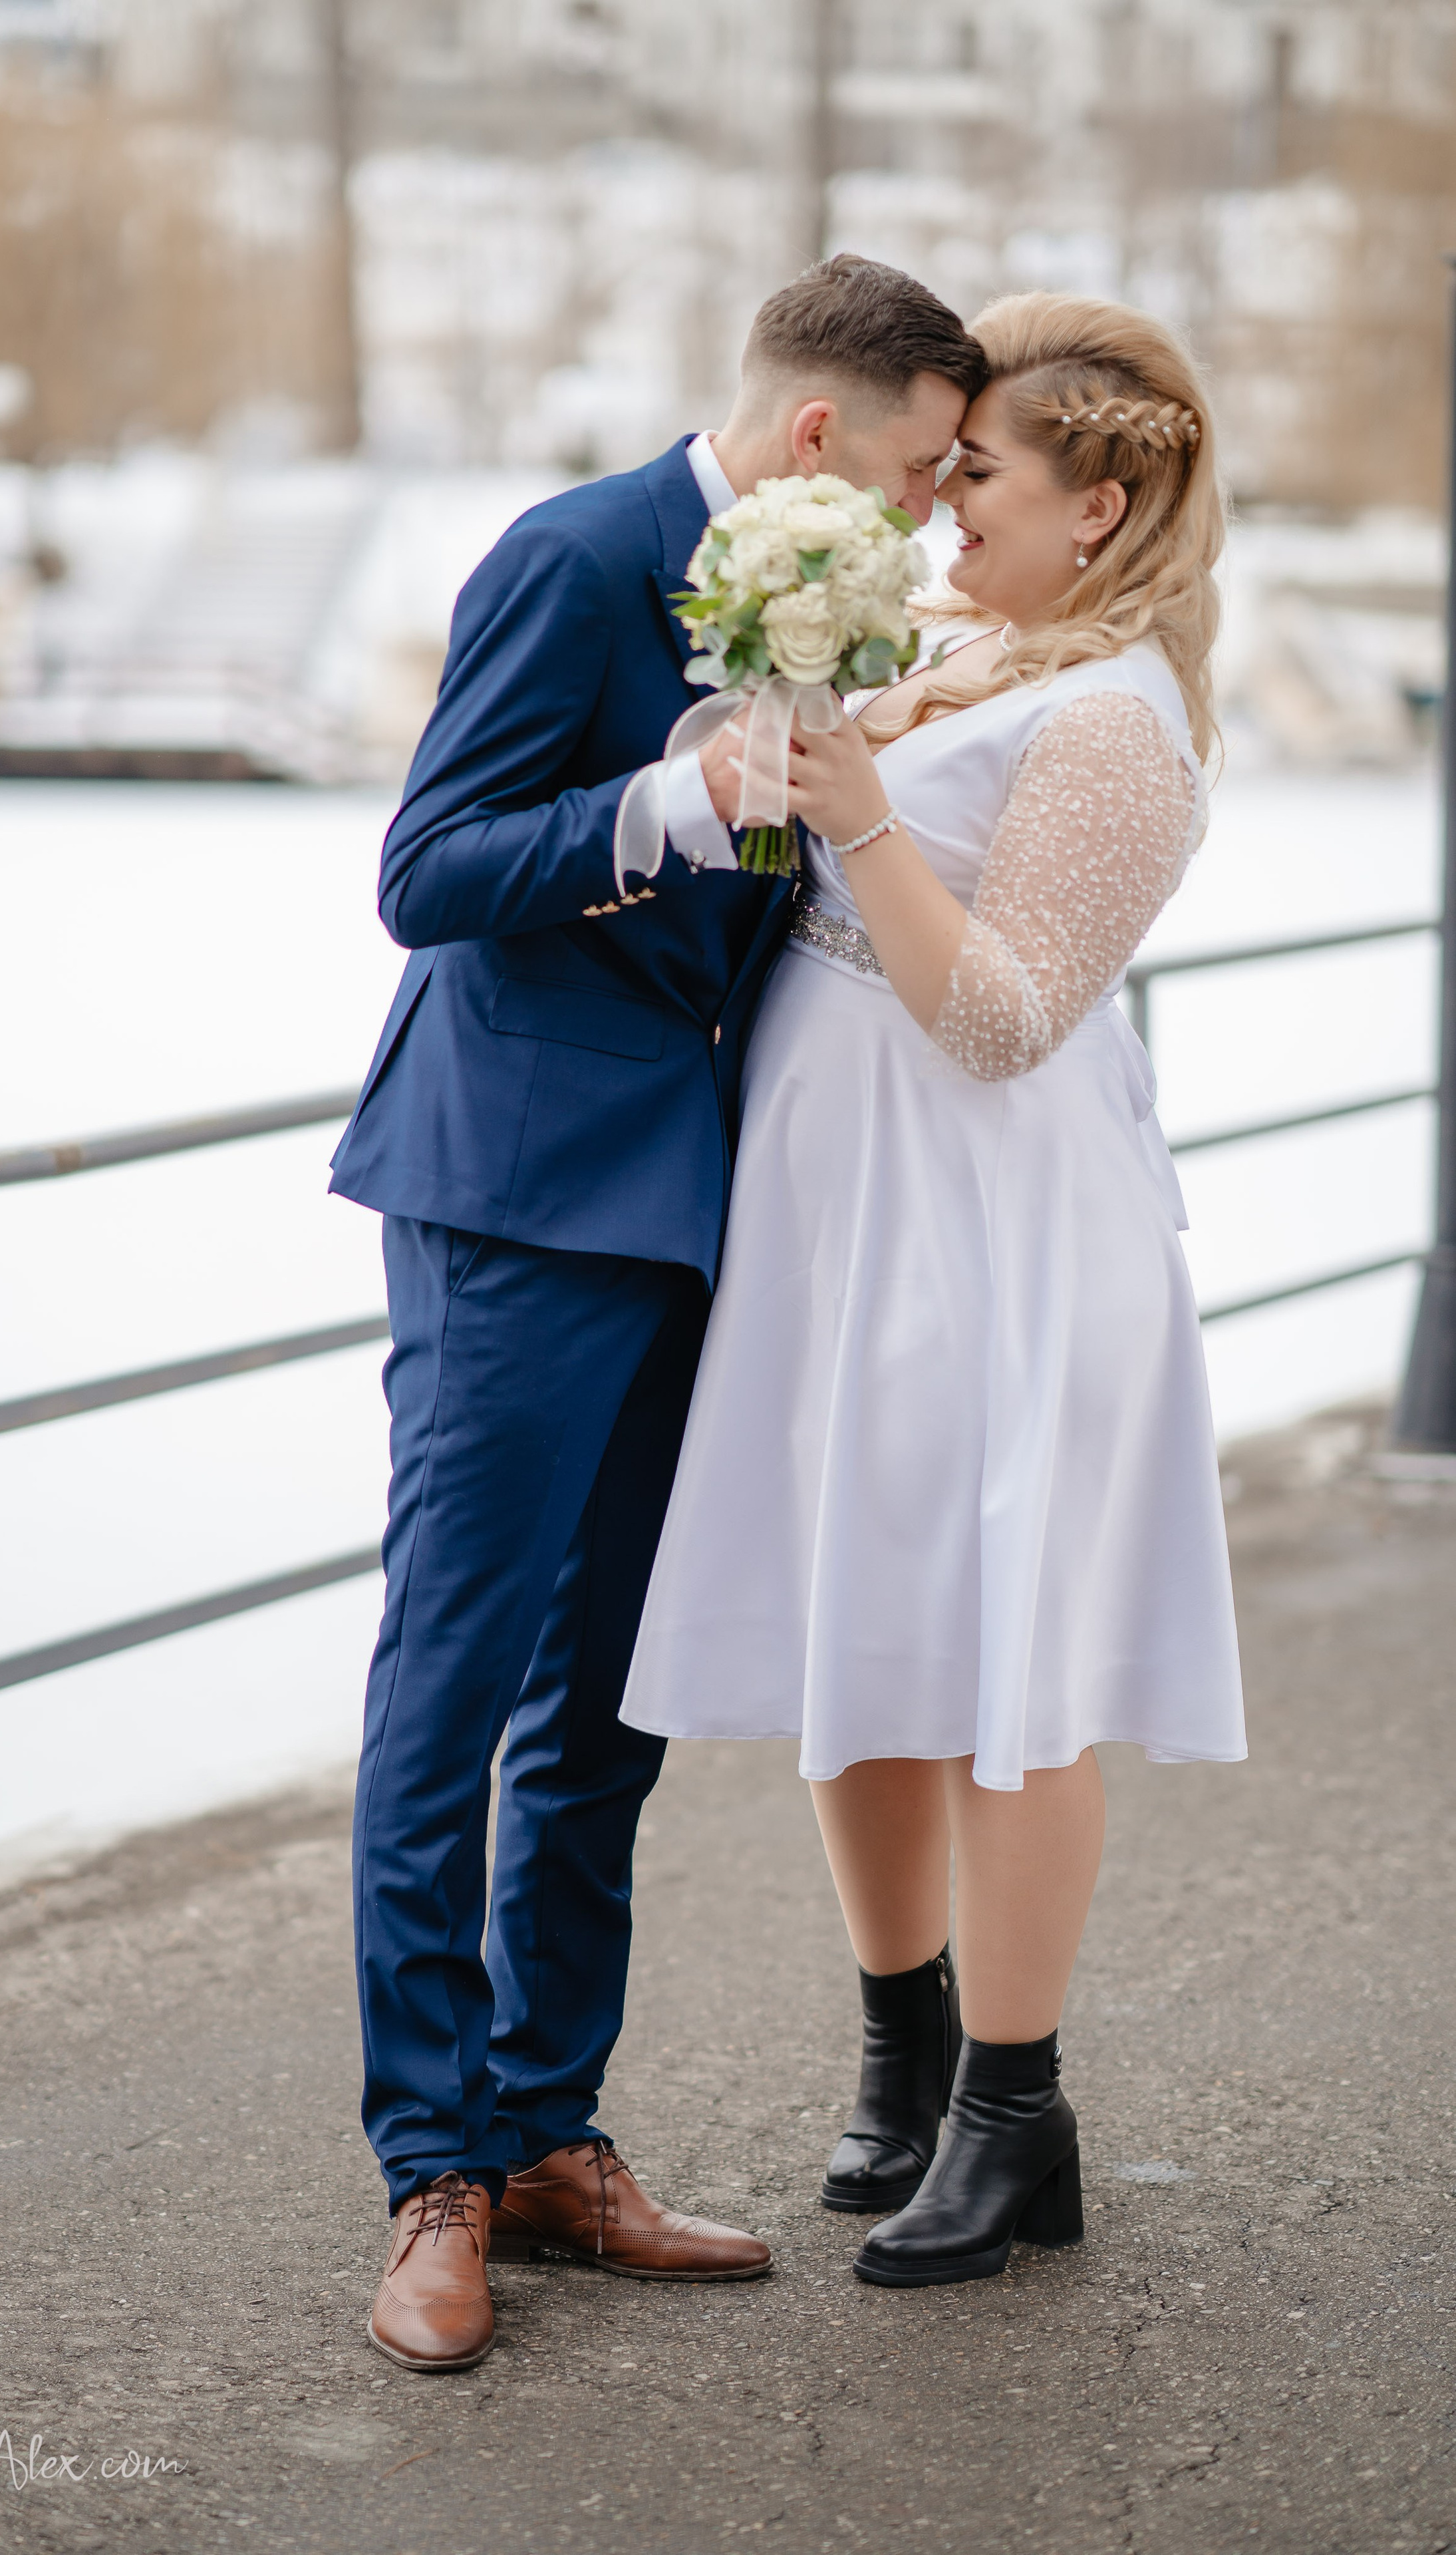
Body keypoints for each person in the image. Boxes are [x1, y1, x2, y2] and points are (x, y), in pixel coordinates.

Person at [329, 256, 988, 2370]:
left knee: (610, 1704)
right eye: (917, 465)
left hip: (704, 1210)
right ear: (820, 440)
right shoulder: (573, 555)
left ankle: (548, 2131)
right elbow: (427, 872)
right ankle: (429, 2168)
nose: (927, 511)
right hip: (514, 1193)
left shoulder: (844, 607)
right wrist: (680, 804)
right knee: (453, 1686)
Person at [621, 291, 1247, 2290]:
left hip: (996, 1231)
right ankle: (900, 2047)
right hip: (842, 1213)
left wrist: (862, 810)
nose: (939, 510)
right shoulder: (980, 647)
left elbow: (998, 1017)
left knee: (1006, 1664)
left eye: (980, 479)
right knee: (860, 1631)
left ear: (1109, 500)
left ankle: (1013, 2112)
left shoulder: (1122, 722)